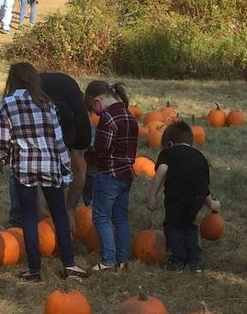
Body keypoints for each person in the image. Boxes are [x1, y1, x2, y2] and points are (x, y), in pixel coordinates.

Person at [0, 62, 88, 282]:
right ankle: (69, 264)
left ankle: (34, 270)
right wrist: (65, 167)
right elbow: (58, 139)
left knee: (29, 217)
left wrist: (2, 157)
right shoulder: (47, 103)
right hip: (49, 165)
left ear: (13, 80)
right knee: (59, 216)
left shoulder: (7, 103)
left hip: (24, 166)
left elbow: (3, 138)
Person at [9, 72, 92, 230]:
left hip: (66, 96)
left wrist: (69, 210)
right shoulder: (29, 122)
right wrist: (38, 210)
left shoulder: (82, 129)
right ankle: (18, 221)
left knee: (90, 168)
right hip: (33, 99)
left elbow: (80, 173)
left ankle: (93, 213)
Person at [145, 121, 218, 272]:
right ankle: (195, 262)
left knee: (173, 226)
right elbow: (204, 186)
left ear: (170, 144)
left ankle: (177, 261)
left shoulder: (169, 153)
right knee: (189, 225)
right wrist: (211, 204)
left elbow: (162, 171)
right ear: (191, 144)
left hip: (177, 194)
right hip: (196, 197)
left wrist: (152, 195)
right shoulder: (200, 157)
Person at [84, 80, 138, 271]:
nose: (95, 113)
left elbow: (102, 150)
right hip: (126, 174)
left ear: (97, 100)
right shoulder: (130, 117)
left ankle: (108, 260)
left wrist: (87, 154)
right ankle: (121, 259)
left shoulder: (109, 118)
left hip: (109, 175)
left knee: (101, 216)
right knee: (120, 217)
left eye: (94, 108)